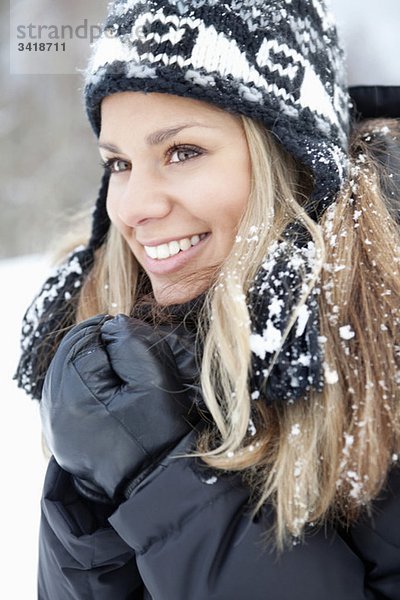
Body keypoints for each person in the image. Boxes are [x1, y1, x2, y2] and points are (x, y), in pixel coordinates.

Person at [15, 1, 400, 598]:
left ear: (291, 157)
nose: (135, 207)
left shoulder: (382, 347)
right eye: (118, 163)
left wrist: (165, 481)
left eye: (182, 152)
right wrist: (91, 494)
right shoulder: (126, 348)